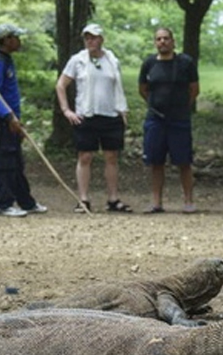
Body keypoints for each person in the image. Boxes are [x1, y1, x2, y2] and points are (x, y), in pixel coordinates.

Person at [55, 23, 131, 214]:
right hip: (86, 115)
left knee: (111, 156)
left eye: (94, 37)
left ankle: (113, 199)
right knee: (85, 156)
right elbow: (61, 85)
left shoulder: (112, 59)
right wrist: (66, 110)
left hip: (111, 114)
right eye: (87, 37)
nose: (90, 41)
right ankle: (83, 199)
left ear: (101, 39)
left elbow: (117, 86)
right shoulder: (77, 60)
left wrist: (122, 109)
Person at [0, 23, 47, 218]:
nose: (19, 41)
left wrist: (17, 119)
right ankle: (4, 204)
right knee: (4, 163)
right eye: (16, 38)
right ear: (7, 40)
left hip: (13, 120)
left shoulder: (7, 60)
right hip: (4, 121)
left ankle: (26, 202)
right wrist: (8, 116)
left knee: (16, 163)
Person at [138, 27, 200, 214]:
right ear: (155, 42)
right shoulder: (149, 63)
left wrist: (182, 107)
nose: (162, 42)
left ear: (173, 41)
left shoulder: (185, 63)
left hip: (179, 119)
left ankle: (188, 201)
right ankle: (157, 202)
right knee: (156, 161)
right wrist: (154, 104)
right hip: (155, 119)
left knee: (184, 162)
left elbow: (194, 90)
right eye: (159, 39)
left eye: (166, 38)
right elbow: (143, 89)